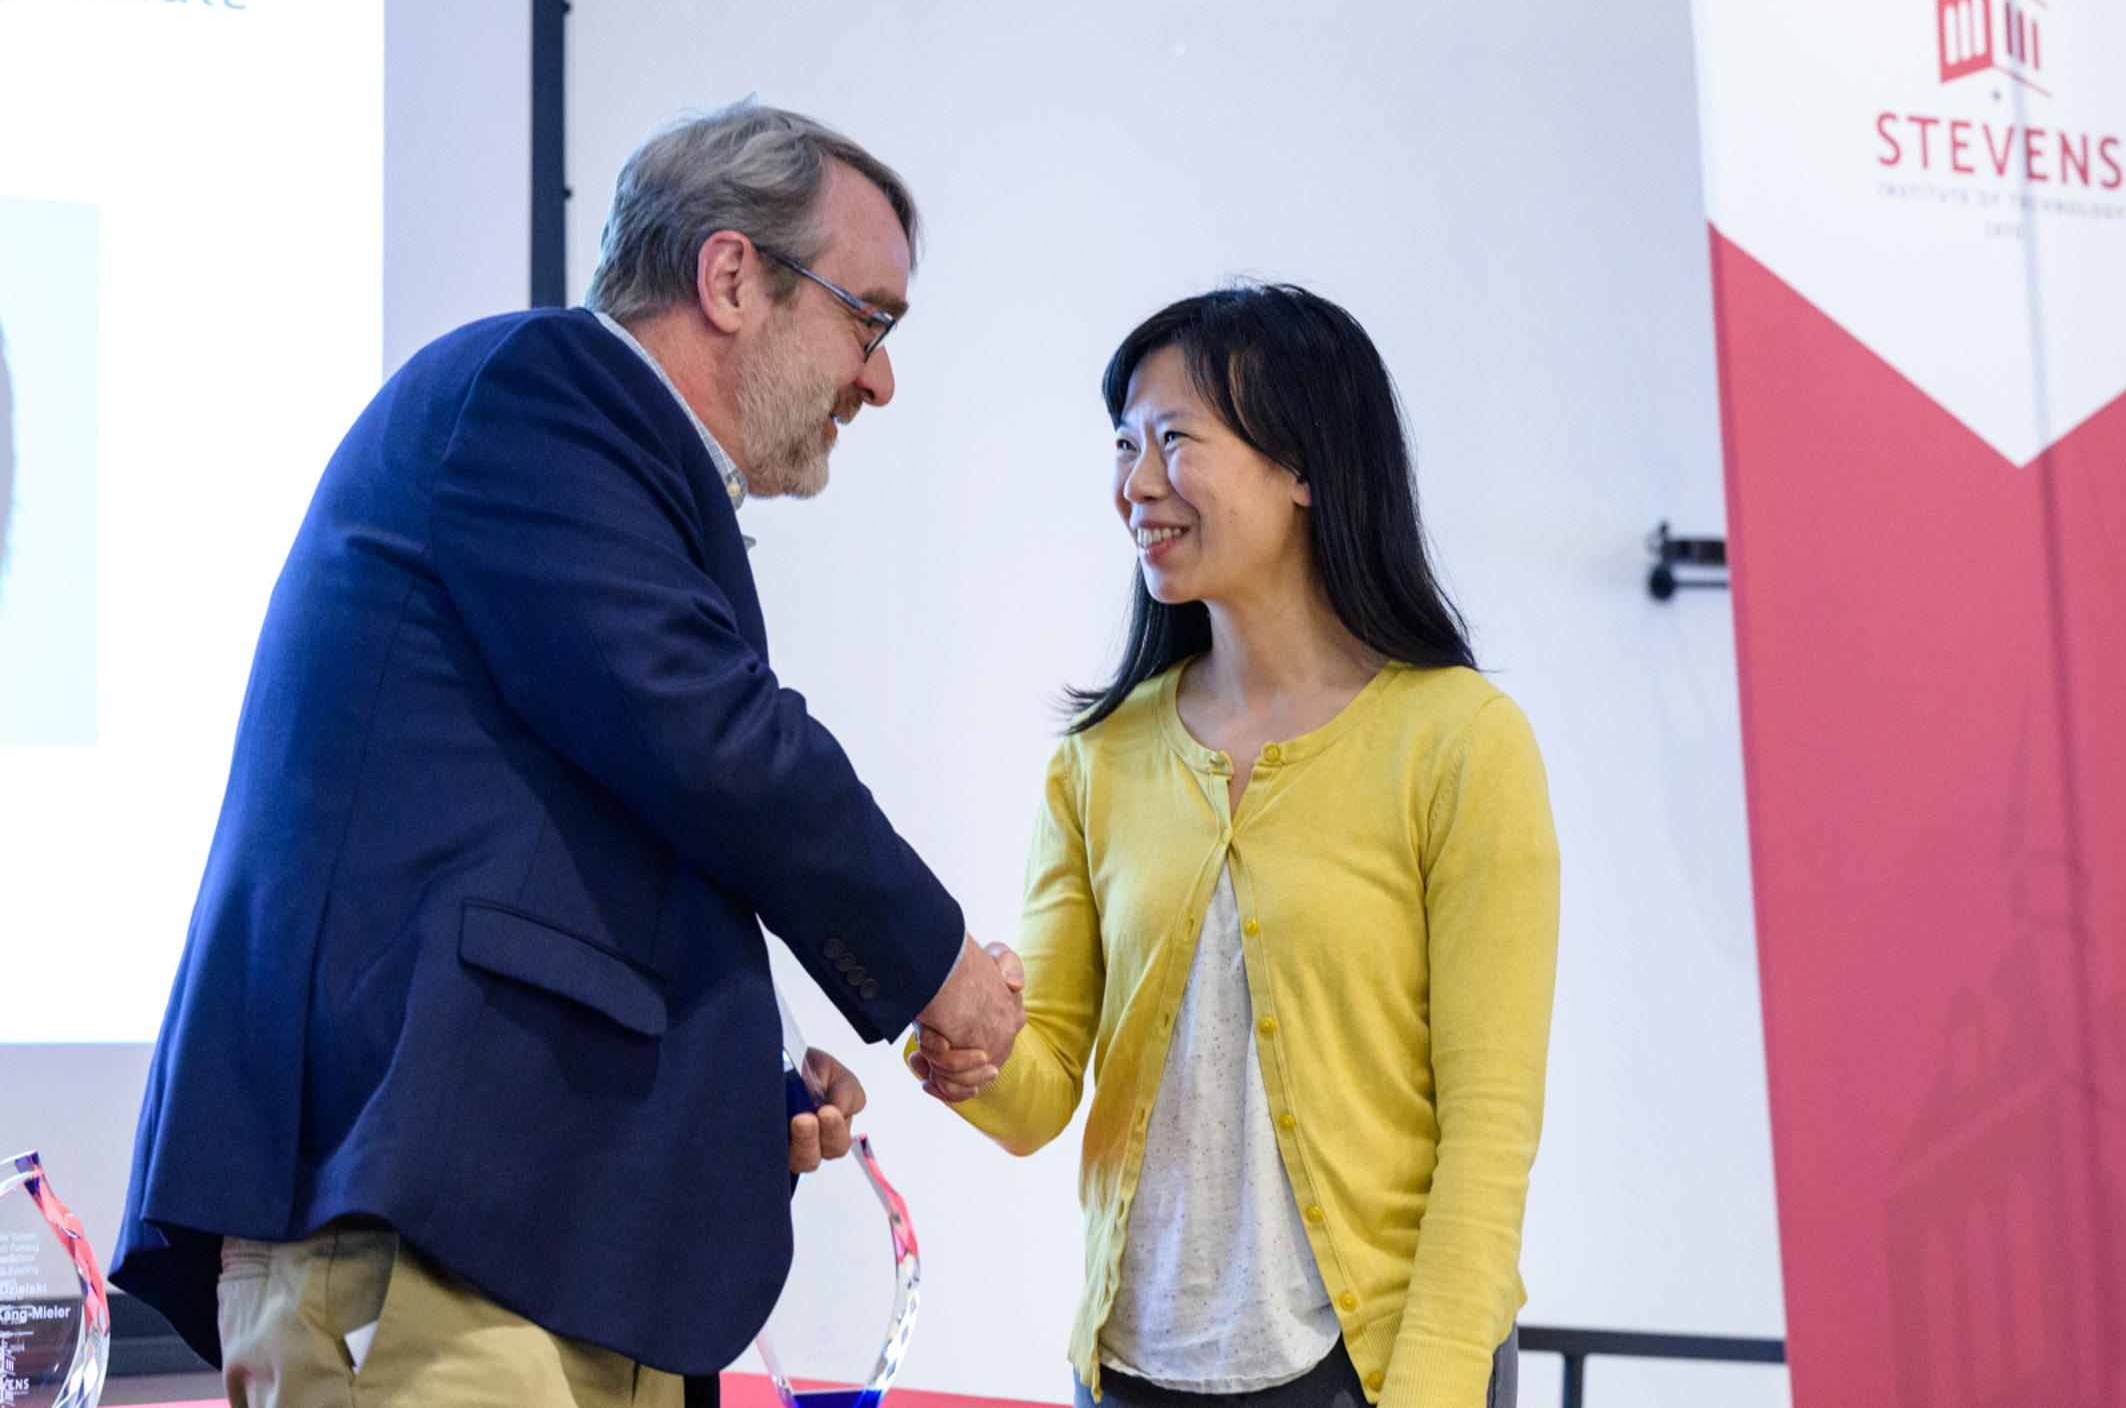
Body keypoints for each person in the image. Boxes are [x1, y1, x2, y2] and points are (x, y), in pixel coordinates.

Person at [111, 101, 1024, 1408]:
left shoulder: (591, 462)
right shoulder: (537, 393)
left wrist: (727, 1100)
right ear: (729, 276)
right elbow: (717, 743)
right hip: (436, 1247)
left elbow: (555, 860)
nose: (879, 378)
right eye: (868, 321)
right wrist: (939, 971)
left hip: (540, 1256)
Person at [911, 286, 1560, 1408]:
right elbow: (1042, 1091)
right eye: (1125, 446)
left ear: (1303, 466)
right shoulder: (1099, 759)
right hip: (1135, 1371)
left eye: (1175, 442)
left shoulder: (1461, 744)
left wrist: (1438, 1391)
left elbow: (1490, 1138)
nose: (1137, 486)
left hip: (1376, 1371)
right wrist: (960, 1041)